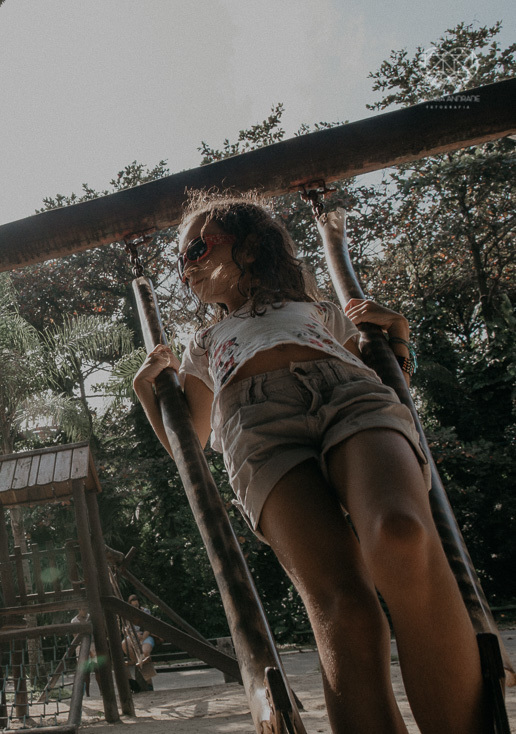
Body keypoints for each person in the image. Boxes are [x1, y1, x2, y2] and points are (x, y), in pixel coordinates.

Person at [132, 191, 484, 734]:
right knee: (345, 608)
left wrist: (398, 335)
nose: (186, 267)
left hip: (350, 395)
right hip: (257, 427)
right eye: (181, 260)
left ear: (250, 247)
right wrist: (147, 393)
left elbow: (390, 379)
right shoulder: (204, 342)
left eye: (197, 249)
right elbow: (192, 445)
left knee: (402, 533)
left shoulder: (321, 312)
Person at [123, 595, 156, 691]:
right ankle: (139, 662)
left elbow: (148, 627)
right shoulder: (127, 614)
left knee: (145, 653)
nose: (135, 604)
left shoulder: (145, 611)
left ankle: (148, 682)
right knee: (124, 644)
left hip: (145, 635)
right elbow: (126, 629)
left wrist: (142, 637)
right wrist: (134, 635)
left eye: (136, 603)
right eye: (133, 603)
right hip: (133, 636)